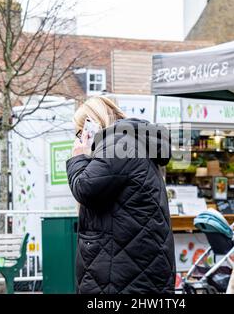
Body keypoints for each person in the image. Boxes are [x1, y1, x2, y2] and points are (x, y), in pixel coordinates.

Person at [66, 96, 176, 294]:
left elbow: (85, 188)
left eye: (80, 132)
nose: (80, 138)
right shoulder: (132, 142)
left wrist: (78, 157)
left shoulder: (118, 144)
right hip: (136, 265)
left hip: (120, 272)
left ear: (92, 124)